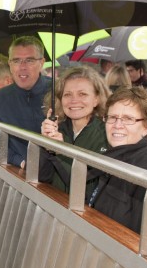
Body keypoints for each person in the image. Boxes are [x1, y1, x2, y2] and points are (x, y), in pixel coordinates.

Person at [88, 87, 147, 253]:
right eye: (112, 117)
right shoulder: (116, 159)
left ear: (146, 126)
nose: (117, 125)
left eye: (128, 119)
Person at [39, 66, 110, 197]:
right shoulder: (56, 129)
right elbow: (41, 177)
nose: (74, 100)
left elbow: (83, 186)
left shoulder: (107, 136)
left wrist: (60, 151)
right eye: (67, 94)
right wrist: (46, 145)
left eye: (82, 94)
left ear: (96, 99)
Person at [0, 36, 52, 168]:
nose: (22, 67)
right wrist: (21, 162)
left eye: (29, 60)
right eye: (16, 61)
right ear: (10, 65)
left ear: (42, 63)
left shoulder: (60, 92)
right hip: (23, 176)